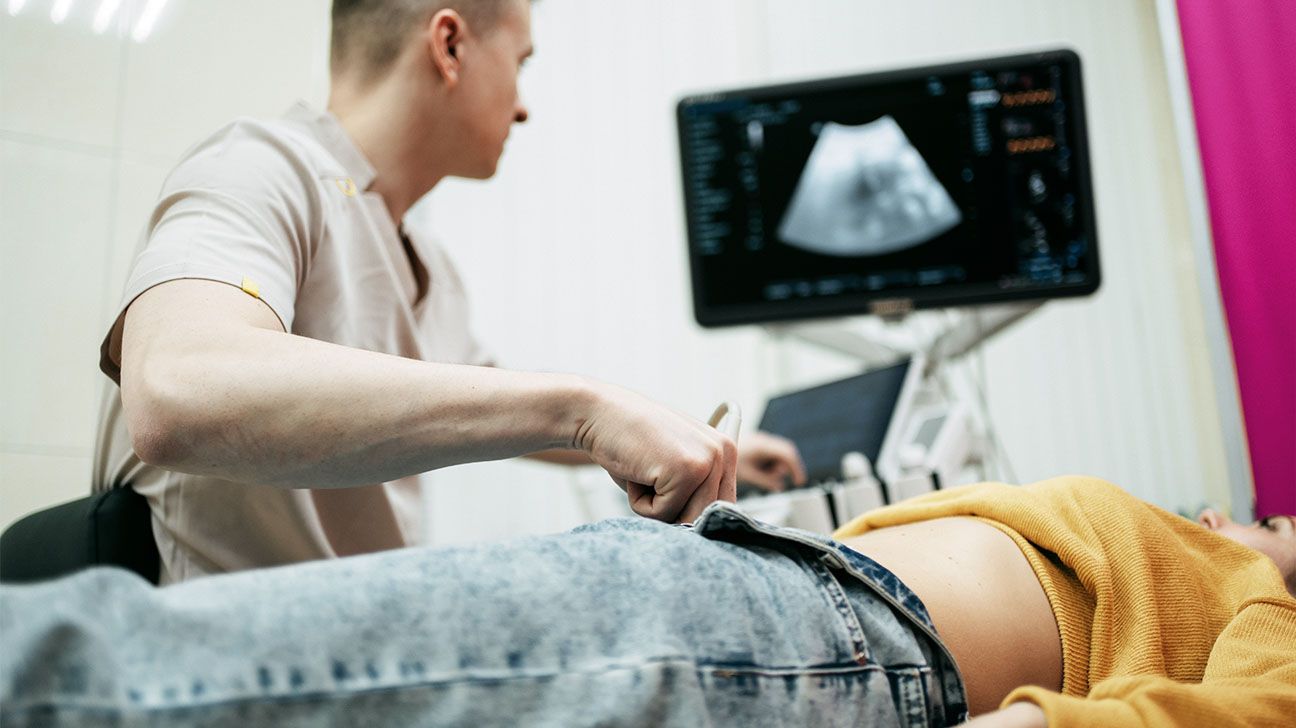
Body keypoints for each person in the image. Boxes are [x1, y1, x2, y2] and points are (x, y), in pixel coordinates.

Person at [92, 0, 806, 583]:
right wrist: (581, 407)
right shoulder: (258, 168)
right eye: (520, 64)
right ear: (450, 45)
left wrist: (673, 432)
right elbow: (176, 389)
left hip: (362, 647)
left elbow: (483, 399)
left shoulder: (423, 260)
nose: (523, 107)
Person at [2, 476, 1292, 727]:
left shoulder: (1262, 605)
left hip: (807, 644)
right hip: (776, 612)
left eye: (1275, 521)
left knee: (170, 684)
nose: (1238, 517)